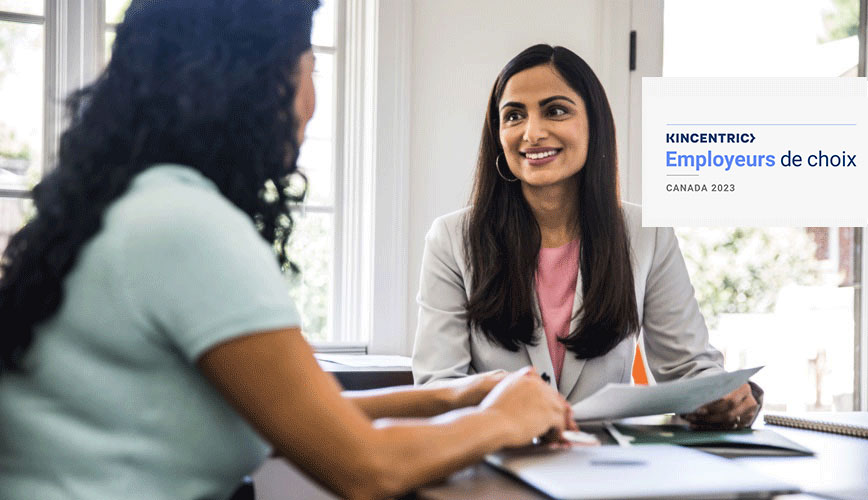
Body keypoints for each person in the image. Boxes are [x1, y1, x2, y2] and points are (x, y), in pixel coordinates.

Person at [0, 3, 575, 500]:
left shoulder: (138, 204)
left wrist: (464, 393)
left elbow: (305, 418)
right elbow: (364, 467)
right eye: (310, 69)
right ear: (252, 82)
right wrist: (501, 419)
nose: (312, 101)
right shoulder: (186, 226)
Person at [412, 44, 762, 430]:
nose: (532, 132)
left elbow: (688, 366)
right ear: (498, 134)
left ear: (593, 123)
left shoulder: (648, 233)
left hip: (606, 466)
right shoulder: (451, 240)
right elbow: (437, 388)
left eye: (556, 110)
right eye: (514, 116)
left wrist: (719, 396)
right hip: (496, 462)